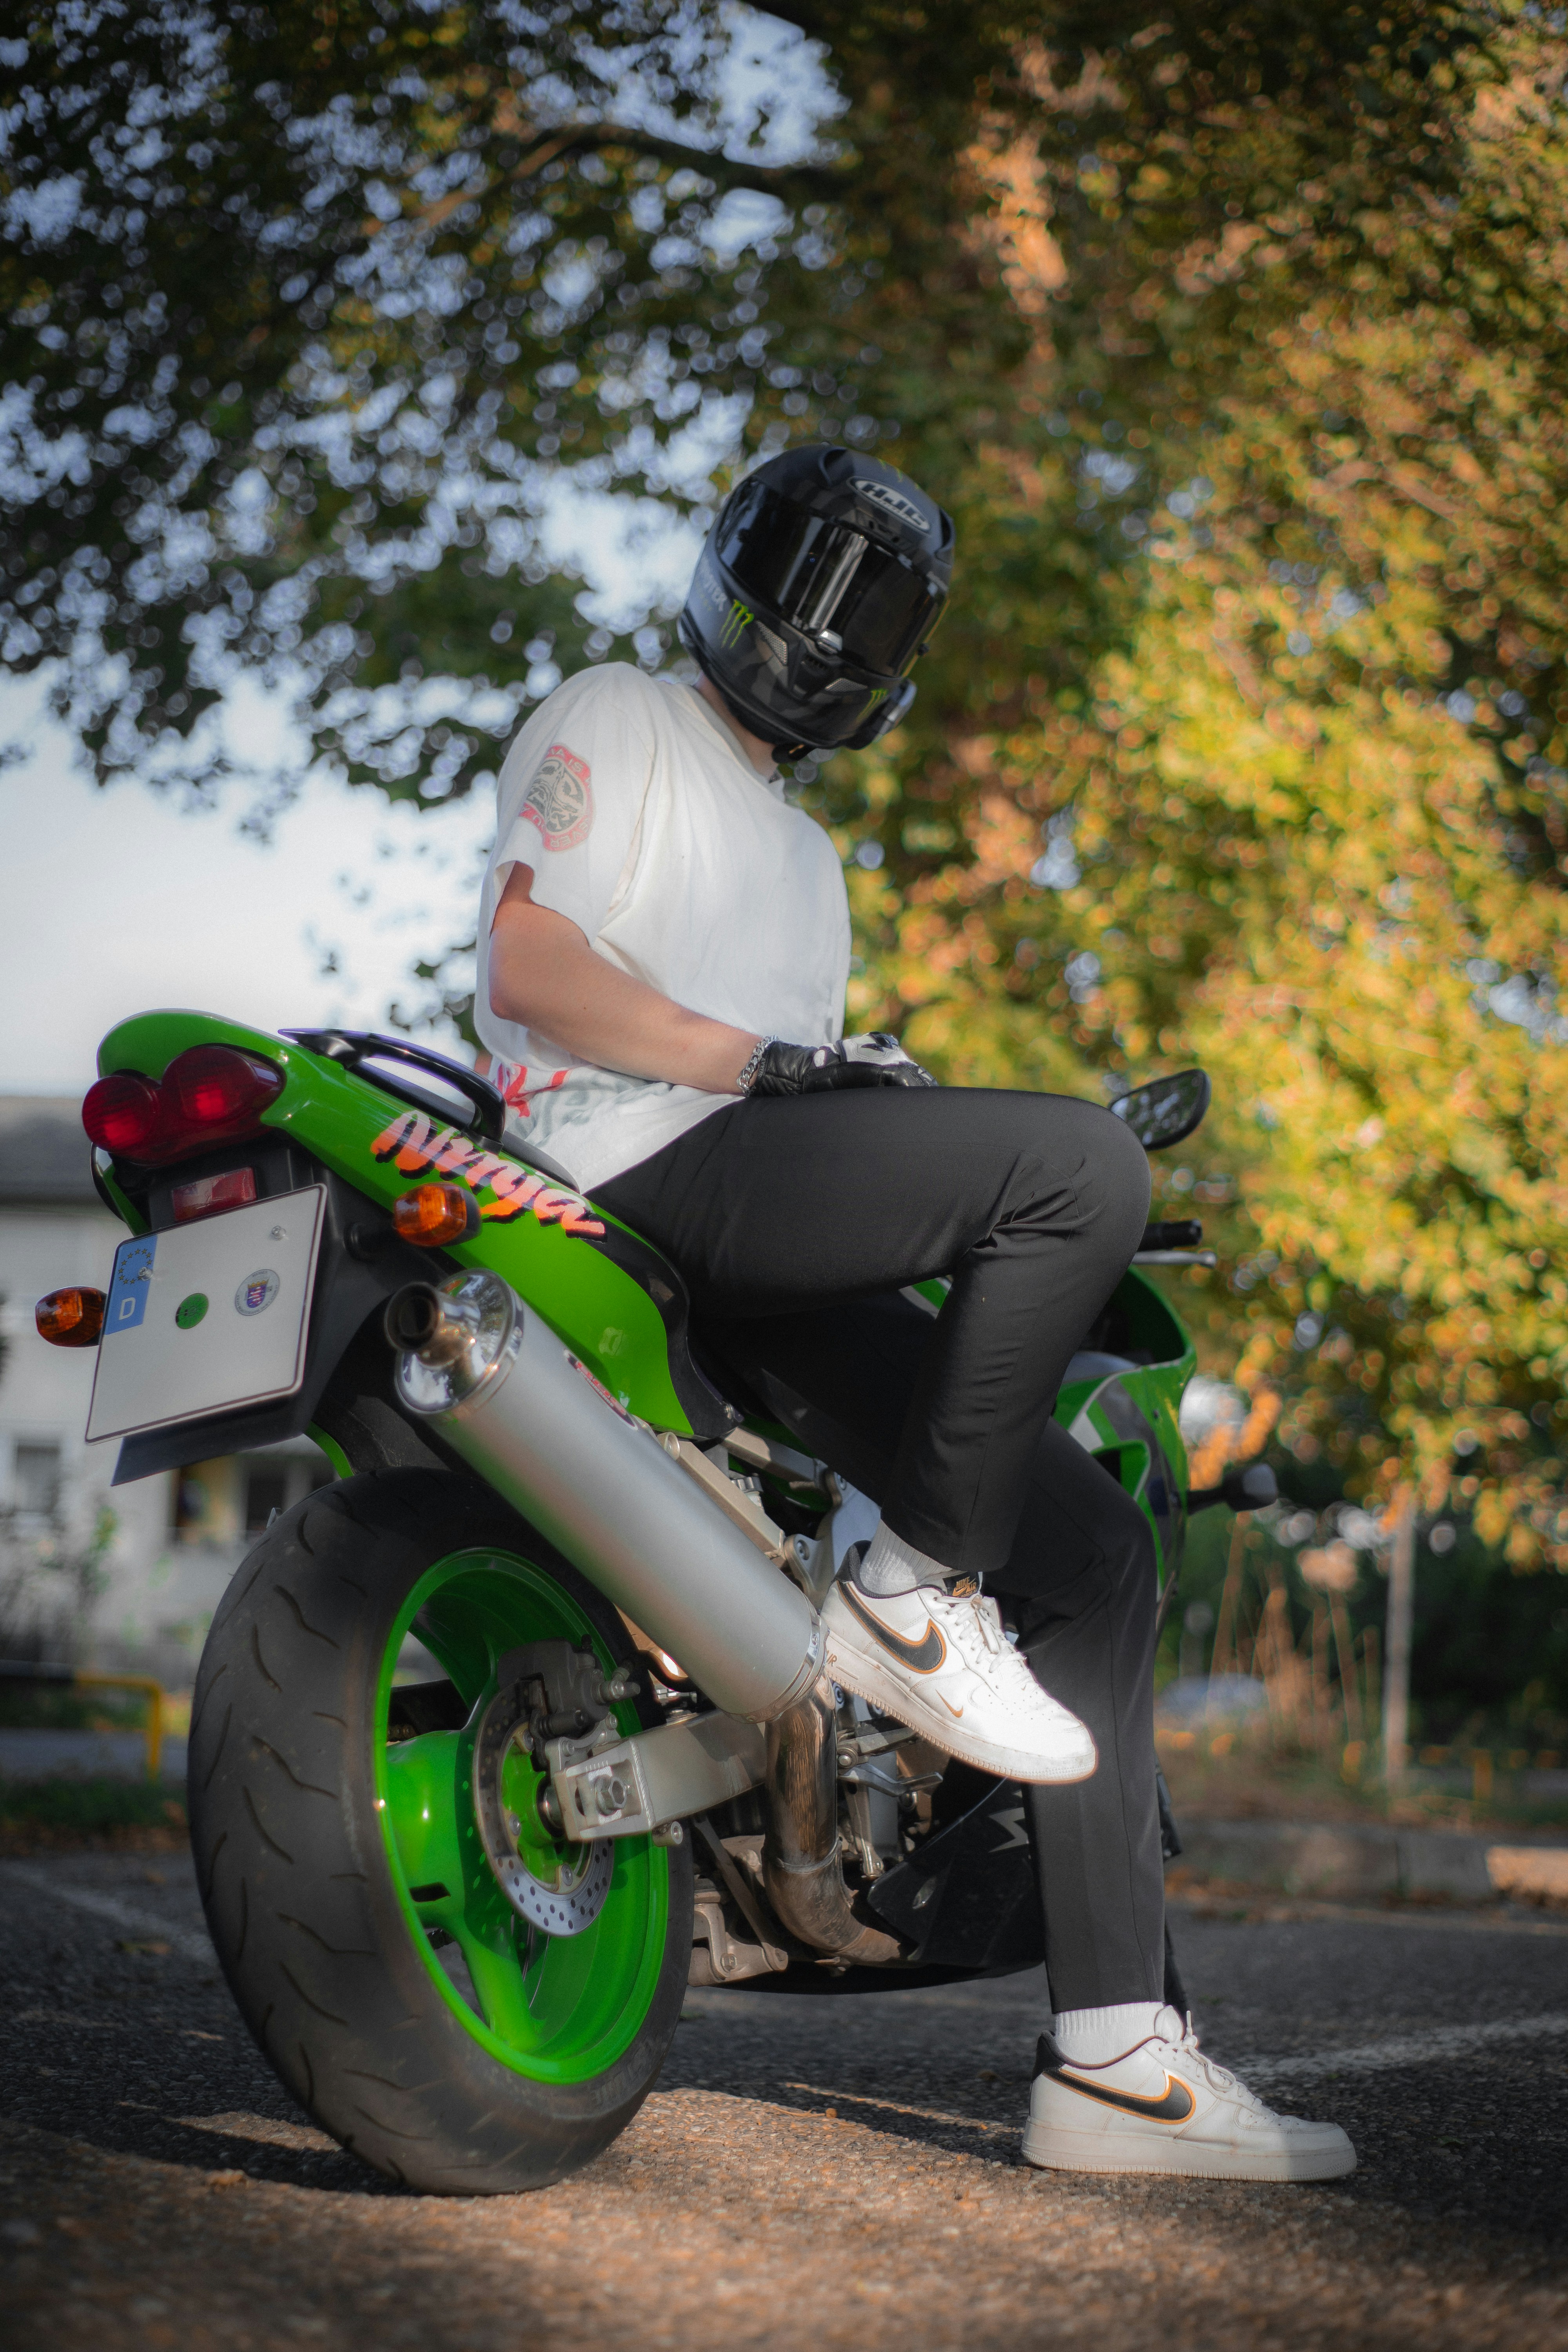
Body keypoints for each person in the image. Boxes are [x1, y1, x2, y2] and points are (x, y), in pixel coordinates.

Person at [477, 442, 1354, 2183]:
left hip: (774, 1227)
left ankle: (1113, 2057)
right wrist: (774, 1066)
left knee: (1097, 1552)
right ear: (732, 561)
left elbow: (819, 1112)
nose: (819, 627)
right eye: (802, 572)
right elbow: (529, 968)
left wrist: (881, 1128)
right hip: (639, 1167)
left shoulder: (809, 864)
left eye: (864, 605)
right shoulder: (620, 716)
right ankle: (908, 1587)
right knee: (1082, 1169)